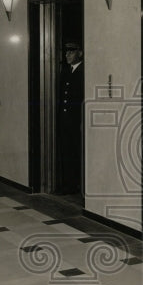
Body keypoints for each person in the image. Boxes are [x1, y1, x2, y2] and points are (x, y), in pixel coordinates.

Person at [57, 40, 84, 193]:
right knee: (66, 152)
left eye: (71, 52)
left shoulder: (84, 72)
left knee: (76, 153)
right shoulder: (66, 71)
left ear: (80, 53)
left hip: (77, 122)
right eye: (66, 52)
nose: (67, 55)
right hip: (66, 121)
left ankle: (76, 184)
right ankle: (68, 184)